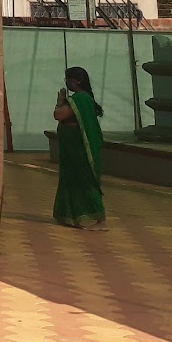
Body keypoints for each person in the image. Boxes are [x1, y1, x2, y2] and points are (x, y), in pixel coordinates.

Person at [53, 66, 106, 229]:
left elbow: (59, 115)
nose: (67, 83)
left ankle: (100, 220)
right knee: (70, 179)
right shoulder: (82, 98)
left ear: (77, 81)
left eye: (69, 80)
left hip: (79, 148)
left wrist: (60, 101)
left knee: (85, 180)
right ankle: (70, 216)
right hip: (71, 147)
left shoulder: (80, 99)